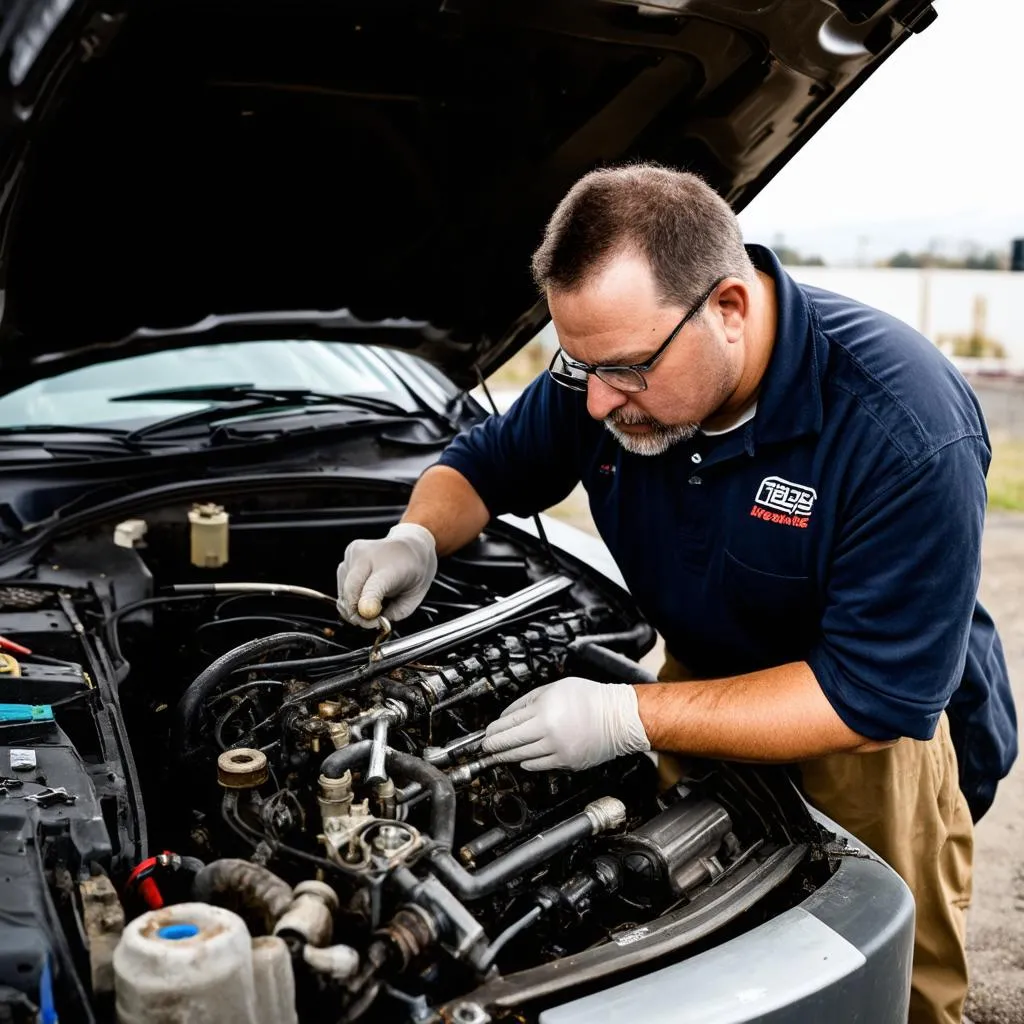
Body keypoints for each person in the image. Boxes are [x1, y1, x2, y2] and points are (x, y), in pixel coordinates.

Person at [334, 163, 1016, 1024]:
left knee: (885, 978)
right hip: (693, 684)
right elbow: (483, 465)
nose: (602, 400)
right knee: (686, 938)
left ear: (728, 307)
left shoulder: (901, 426)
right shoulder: (606, 379)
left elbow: (873, 704)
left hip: (863, 739)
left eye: (628, 370)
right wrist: (418, 536)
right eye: (580, 368)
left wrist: (626, 716)